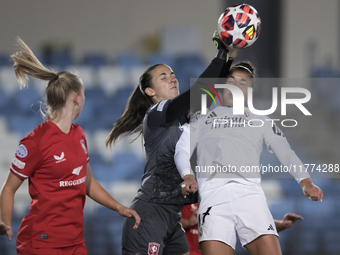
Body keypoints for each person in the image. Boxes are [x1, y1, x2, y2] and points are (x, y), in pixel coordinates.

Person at [0, 38, 140, 255]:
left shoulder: (79, 135)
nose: (84, 99)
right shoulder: (35, 141)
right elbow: (9, 188)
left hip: (75, 243)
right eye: (83, 94)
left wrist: (119, 207)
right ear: (75, 97)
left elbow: (88, 183)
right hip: (42, 243)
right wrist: (6, 222)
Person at [105, 32, 238, 255]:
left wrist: (228, 58)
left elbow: (207, 93)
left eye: (173, 75)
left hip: (171, 217)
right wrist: (220, 55)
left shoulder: (181, 117)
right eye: (164, 77)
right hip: (149, 214)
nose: (172, 79)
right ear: (150, 91)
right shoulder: (156, 113)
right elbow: (196, 94)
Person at [174, 60, 323, 255]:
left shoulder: (262, 120)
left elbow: (286, 152)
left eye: (242, 83)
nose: (236, 87)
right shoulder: (201, 118)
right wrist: (187, 174)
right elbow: (182, 149)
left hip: (250, 197)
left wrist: (305, 182)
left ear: (250, 92)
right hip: (213, 198)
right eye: (231, 81)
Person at [180, 203, 304, 255]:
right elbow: (164, 221)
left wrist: (281, 224)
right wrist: (188, 222)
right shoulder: (181, 196)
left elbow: (251, 223)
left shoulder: (224, 198)